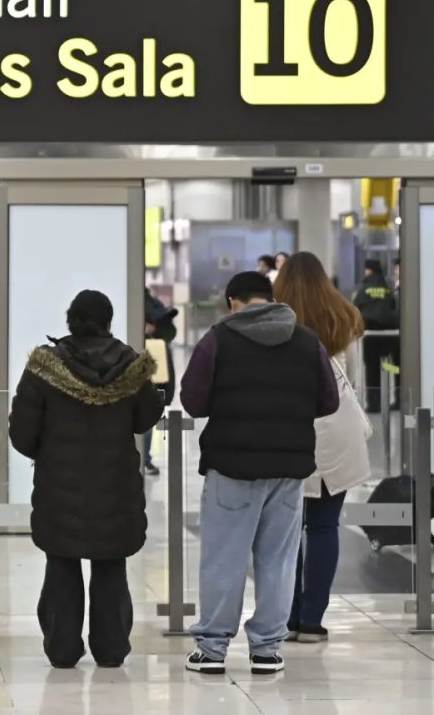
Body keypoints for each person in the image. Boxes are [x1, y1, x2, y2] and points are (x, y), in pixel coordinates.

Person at [180, 271, 338, 676]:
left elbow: (193, 401)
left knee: (223, 558)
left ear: (233, 301)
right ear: (269, 299)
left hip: (232, 468)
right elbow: (328, 400)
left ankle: (213, 649)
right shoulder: (306, 340)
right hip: (289, 469)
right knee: (279, 560)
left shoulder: (218, 338)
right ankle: (267, 649)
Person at [9, 291, 162, 669]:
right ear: (109, 323)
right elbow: (145, 420)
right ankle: (111, 650)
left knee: (61, 565)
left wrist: (49, 453)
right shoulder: (132, 367)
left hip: (59, 489)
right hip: (116, 487)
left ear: (70, 321)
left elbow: (22, 434)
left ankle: (62, 649)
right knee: (110, 566)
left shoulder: (45, 368)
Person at [274, 252, 370, 643]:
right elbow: (355, 381)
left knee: (286, 531)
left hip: (290, 430)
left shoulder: (277, 320)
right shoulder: (344, 317)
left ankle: (287, 615)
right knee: (326, 526)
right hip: (337, 431)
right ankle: (312, 620)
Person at [353, 258, 397, 412]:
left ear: (368, 270)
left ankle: (374, 403)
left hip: (370, 333)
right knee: (388, 366)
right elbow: (393, 305)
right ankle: (396, 398)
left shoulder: (365, 287)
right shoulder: (386, 287)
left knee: (371, 368)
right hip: (389, 334)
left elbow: (355, 306)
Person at [143, 287, 178, 476]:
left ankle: (145, 459)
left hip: (151, 374)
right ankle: (144, 459)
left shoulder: (149, 300)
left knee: (147, 419)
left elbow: (169, 332)